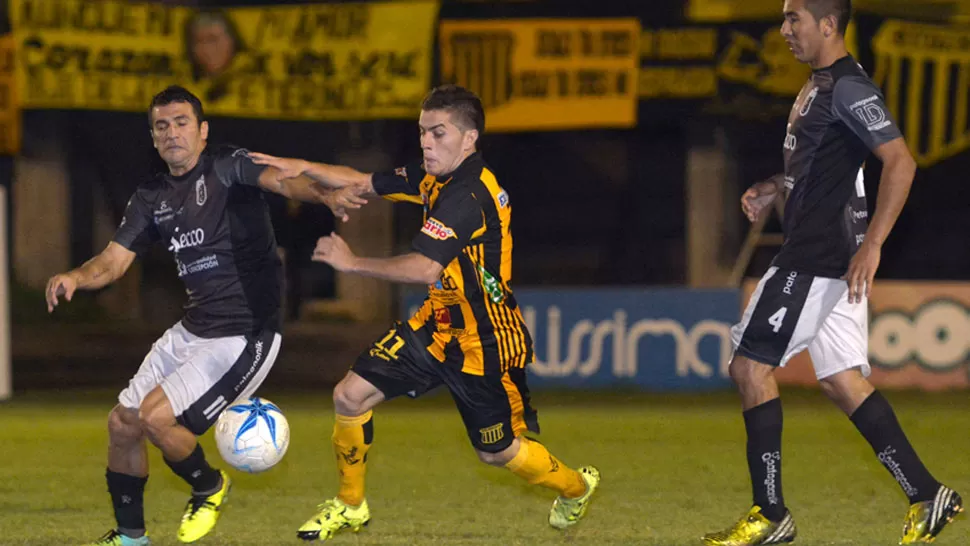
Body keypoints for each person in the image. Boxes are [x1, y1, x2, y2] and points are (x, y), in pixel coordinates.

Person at [249, 84, 601, 541]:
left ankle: (575, 488)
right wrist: (304, 167)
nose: (425, 143)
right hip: (436, 328)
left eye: (437, 133)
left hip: (485, 343)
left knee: (496, 453)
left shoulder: (468, 196)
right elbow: (363, 181)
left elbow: (424, 266)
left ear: (469, 138)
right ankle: (350, 505)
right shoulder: (436, 177)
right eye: (422, 133)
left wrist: (353, 263)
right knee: (349, 397)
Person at [45, 85, 358, 546]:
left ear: (203, 130)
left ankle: (210, 487)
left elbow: (280, 180)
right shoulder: (152, 195)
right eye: (162, 126)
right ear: (153, 137)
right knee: (123, 423)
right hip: (196, 327)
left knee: (156, 419)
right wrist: (76, 276)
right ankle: (131, 538)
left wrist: (323, 195)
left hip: (246, 332)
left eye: (182, 122)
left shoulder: (228, 166)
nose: (172, 133)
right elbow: (114, 261)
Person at [703, 1, 963, 545]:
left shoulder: (847, 86)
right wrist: (778, 185)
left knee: (750, 369)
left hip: (817, 257)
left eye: (793, 18)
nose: (784, 30)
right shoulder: (821, 86)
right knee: (844, 381)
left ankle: (771, 515)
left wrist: (873, 245)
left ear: (828, 24)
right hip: (830, 256)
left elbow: (900, 162)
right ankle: (927, 494)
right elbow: (830, 164)